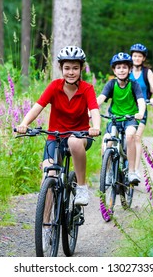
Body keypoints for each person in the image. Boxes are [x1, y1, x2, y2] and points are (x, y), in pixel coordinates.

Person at [16, 45, 101, 206]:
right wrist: (24, 123)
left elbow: (94, 109)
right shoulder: (54, 86)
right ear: (60, 68)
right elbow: (38, 107)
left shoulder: (87, 88)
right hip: (55, 137)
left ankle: (82, 187)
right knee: (49, 176)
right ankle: (47, 225)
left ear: (81, 68)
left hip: (81, 136)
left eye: (75, 68)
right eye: (67, 68)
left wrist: (95, 126)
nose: (71, 72)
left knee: (74, 141)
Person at [97, 52, 146, 184]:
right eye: (118, 67)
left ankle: (131, 171)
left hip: (130, 118)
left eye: (124, 67)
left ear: (130, 69)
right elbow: (101, 98)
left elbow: (141, 100)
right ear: (114, 70)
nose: (121, 70)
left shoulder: (134, 85)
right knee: (107, 141)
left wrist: (140, 112)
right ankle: (107, 172)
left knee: (130, 135)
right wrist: (91, 109)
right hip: (114, 119)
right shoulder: (111, 84)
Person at [129, 43, 153, 178]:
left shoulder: (147, 72)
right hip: (126, 108)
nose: (136, 58)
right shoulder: (126, 70)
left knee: (136, 137)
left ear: (143, 58)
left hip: (141, 109)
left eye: (139, 56)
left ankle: (135, 170)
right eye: (134, 56)